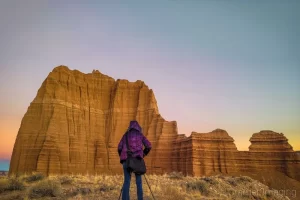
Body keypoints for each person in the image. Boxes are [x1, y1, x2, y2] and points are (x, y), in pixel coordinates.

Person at [118, 120, 152, 200]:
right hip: (137, 161)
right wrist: (143, 154)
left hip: (126, 160)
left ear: (130, 126)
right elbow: (149, 145)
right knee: (139, 182)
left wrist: (123, 157)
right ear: (138, 127)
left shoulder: (125, 135)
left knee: (126, 182)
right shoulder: (140, 135)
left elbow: (119, 147)